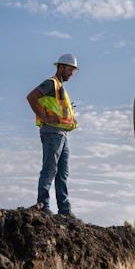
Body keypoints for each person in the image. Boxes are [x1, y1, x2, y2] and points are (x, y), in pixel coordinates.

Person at [26, 53, 79, 217]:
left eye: (73, 70)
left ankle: (64, 210)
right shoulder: (51, 83)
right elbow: (32, 97)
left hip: (62, 134)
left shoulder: (60, 88)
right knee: (50, 169)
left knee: (62, 173)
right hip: (52, 133)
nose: (72, 73)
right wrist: (45, 116)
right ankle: (43, 205)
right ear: (61, 67)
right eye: (70, 69)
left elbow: (58, 108)